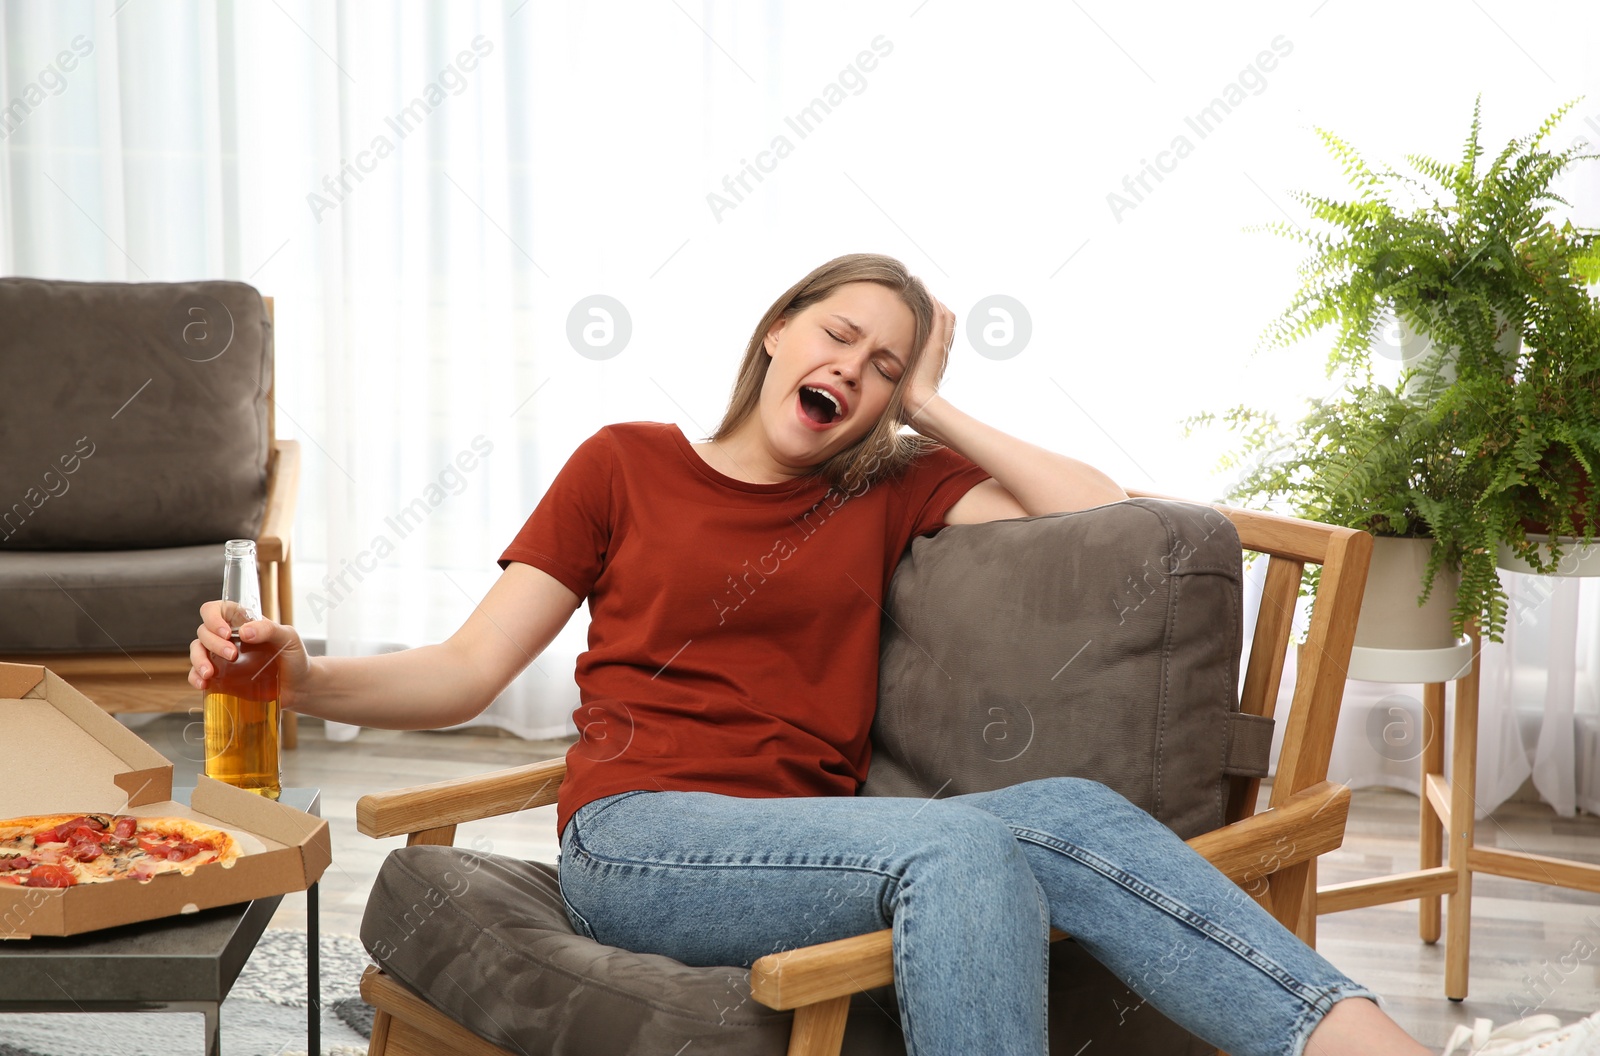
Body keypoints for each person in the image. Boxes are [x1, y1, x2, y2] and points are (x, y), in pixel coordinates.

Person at [189, 253, 1591, 1056]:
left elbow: (1111, 518)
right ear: (774, 333)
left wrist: (931, 406)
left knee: (1075, 822)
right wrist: (300, 674)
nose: (852, 369)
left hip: (816, 841)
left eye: (882, 364)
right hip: (640, 838)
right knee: (956, 848)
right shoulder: (623, 464)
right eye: (838, 336)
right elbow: (462, 673)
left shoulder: (884, 483)